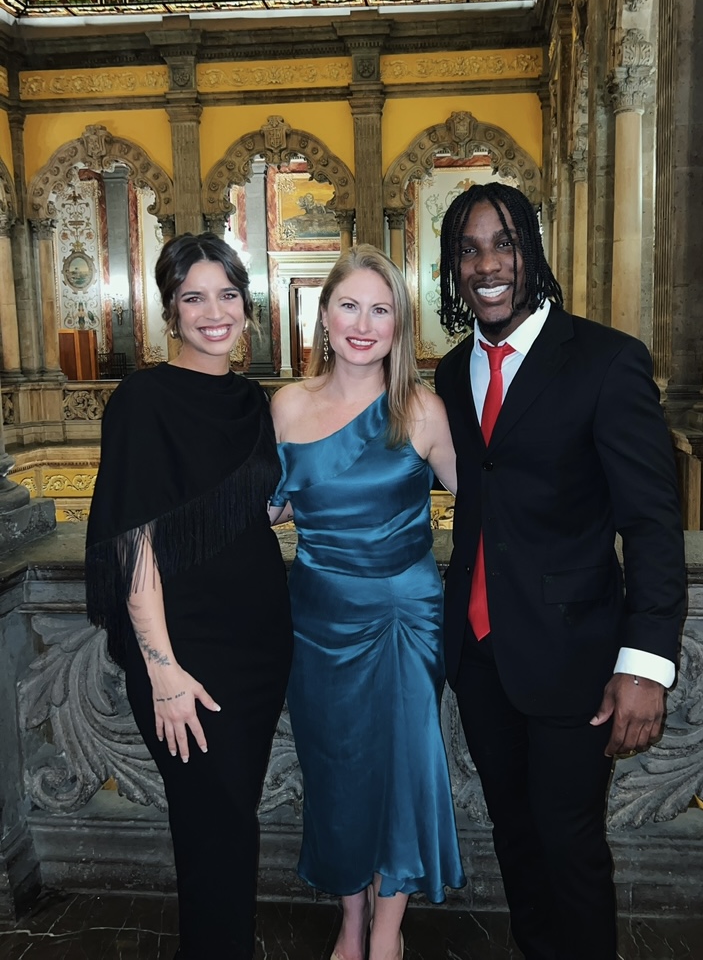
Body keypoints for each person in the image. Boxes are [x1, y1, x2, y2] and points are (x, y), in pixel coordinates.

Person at [434, 183, 686, 960]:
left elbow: (651, 524)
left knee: (570, 845)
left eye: (503, 244)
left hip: (576, 658)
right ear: (452, 268)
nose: (487, 264)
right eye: (469, 250)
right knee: (514, 835)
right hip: (480, 658)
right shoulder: (449, 375)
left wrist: (645, 666)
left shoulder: (606, 362)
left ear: (532, 253)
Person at [85, 232, 293, 960]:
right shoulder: (142, 401)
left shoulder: (252, 400)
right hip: (188, 654)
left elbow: (249, 506)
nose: (215, 312)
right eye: (194, 298)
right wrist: (162, 671)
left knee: (233, 821)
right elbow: (133, 541)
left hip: (262, 644)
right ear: (170, 311)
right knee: (213, 825)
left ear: (246, 304)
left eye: (228, 295)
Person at [269, 244, 465, 960]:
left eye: (380, 310)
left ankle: (387, 932)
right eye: (348, 305)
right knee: (338, 770)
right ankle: (351, 920)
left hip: (405, 618)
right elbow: (274, 505)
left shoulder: (422, 409)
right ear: (322, 317)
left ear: (398, 326)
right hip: (318, 618)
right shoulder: (287, 405)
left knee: (408, 768)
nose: (363, 323)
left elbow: (486, 503)